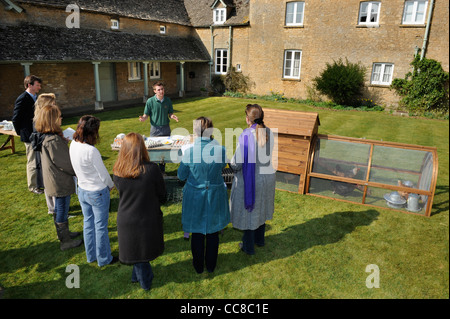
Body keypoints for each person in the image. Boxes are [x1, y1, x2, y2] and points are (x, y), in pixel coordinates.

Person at [113, 133, 166, 290]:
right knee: (142, 252)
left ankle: (136, 276)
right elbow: (162, 194)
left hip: (126, 218)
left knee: (136, 250)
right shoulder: (151, 170)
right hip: (145, 218)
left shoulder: (117, 171)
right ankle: (145, 282)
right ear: (142, 147)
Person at [177, 117, 230, 274]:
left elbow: (180, 175)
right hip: (214, 195)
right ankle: (210, 265)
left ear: (195, 132)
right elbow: (222, 166)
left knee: (197, 232)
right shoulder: (220, 150)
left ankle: (199, 266)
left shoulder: (189, 151)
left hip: (196, 196)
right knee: (213, 232)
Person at [69, 115, 118, 267]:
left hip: (82, 190)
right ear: (92, 132)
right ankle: (104, 258)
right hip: (97, 192)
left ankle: (91, 256)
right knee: (100, 226)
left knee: (88, 224)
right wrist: (111, 184)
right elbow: (103, 174)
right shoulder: (91, 151)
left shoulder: (73, 144)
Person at [33, 103, 82, 251]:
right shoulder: (53, 140)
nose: (61, 118)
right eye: (59, 116)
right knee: (61, 208)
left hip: (53, 178)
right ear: (52, 120)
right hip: (59, 180)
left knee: (60, 208)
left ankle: (63, 234)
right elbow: (64, 163)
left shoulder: (48, 137)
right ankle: (65, 240)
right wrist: (78, 171)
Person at [229, 104, 276, 255]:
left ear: (248, 119)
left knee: (249, 213)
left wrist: (229, 161)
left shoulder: (246, 136)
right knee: (261, 208)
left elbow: (237, 163)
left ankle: (248, 247)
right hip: (267, 178)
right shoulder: (269, 132)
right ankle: (259, 240)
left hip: (252, 180)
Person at [12, 75, 43, 194]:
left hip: (38, 134)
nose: (39, 87)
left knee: (39, 160)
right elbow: (15, 118)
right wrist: (21, 133)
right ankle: (33, 186)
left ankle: (40, 183)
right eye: (37, 85)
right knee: (32, 161)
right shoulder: (22, 98)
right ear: (29, 85)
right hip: (29, 135)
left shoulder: (36, 97)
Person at [139, 81, 179, 173]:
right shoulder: (150, 101)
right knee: (153, 150)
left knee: (165, 150)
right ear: (155, 91)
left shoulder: (168, 100)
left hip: (166, 128)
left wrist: (172, 116)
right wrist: (143, 118)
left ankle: (162, 170)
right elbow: (146, 115)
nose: (161, 91)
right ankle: (153, 170)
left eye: (162, 89)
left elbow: (170, 113)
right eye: (159, 90)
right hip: (155, 129)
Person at [33, 93, 57, 215]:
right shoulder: (43, 119)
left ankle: (52, 207)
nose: (55, 105)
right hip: (46, 151)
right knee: (50, 177)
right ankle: (55, 208)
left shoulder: (38, 117)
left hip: (42, 151)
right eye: (53, 103)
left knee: (47, 177)